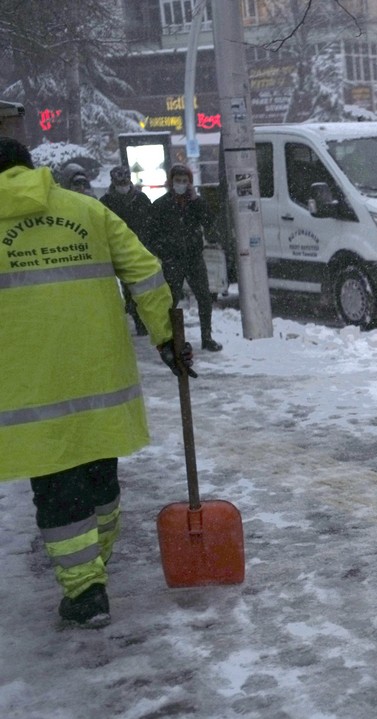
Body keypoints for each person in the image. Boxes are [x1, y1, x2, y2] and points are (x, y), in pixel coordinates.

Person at [0, 136, 195, 628]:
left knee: (57, 485)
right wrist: (167, 338)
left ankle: (86, 591)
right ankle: (95, 561)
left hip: (27, 384)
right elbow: (146, 272)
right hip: (98, 372)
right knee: (99, 478)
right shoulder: (87, 211)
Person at [146, 163, 222, 352]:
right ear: (171, 182)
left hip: (194, 257)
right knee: (171, 299)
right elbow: (152, 234)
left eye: (185, 181)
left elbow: (208, 222)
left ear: (190, 183)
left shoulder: (195, 204)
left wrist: (197, 201)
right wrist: (164, 251)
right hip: (173, 259)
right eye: (178, 181)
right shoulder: (162, 205)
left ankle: (207, 337)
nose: (181, 184)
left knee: (204, 297)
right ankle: (172, 339)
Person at [101, 165, 153, 336]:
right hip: (120, 251)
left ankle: (141, 318)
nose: (123, 184)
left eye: (125, 180)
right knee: (130, 287)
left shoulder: (141, 199)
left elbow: (152, 222)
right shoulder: (106, 202)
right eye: (119, 181)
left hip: (141, 248)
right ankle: (139, 321)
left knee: (143, 287)